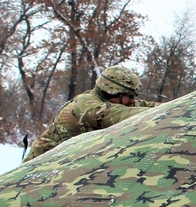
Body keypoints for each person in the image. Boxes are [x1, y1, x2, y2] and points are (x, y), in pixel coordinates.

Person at [23, 65, 159, 162]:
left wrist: (178, 107)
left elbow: (146, 106)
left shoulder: (115, 102)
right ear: (113, 93)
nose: (132, 101)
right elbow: (120, 115)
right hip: (40, 167)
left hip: (65, 163)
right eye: (129, 96)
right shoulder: (87, 105)